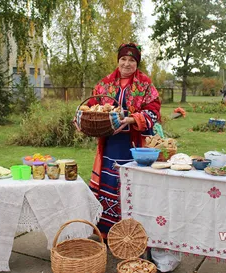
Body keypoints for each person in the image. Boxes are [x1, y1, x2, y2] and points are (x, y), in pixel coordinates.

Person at [86, 43, 161, 238]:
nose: (127, 63)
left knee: (133, 185)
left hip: (136, 145)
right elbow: (91, 105)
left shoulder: (145, 84)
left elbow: (153, 110)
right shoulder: (106, 83)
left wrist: (132, 119)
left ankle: (133, 231)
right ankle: (107, 231)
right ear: (118, 61)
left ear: (137, 63)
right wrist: (81, 118)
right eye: (123, 59)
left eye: (132, 60)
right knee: (109, 182)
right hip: (112, 144)